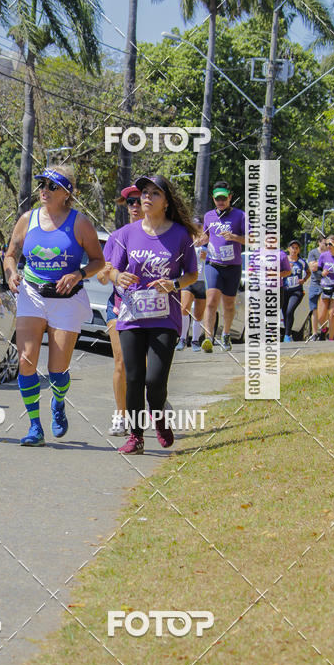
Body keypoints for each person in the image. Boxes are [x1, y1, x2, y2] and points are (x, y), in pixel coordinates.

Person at [3, 166, 105, 446]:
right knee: (25, 361)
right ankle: (35, 426)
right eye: (41, 184)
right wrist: (12, 274)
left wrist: (78, 274)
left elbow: (99, 261)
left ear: (67, 193)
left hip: (67, 299)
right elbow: (10, 254)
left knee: (57, 371)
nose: (44, 190)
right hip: (32, 294)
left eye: (52, 186)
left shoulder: (80, 223)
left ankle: (58, 401)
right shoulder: (28, 219)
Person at [107, 174, 198, 455]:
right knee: (134, 378)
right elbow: (109, 269)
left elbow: (192, 274)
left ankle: (158, 416)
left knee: (154, 380)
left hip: (164, 318)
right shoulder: (126, 235)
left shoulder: (180, 236)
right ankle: (136, 437)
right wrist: (117, 276)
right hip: (131, 316)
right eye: (144, 192)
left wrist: (175, 284)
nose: (146, 197)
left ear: (166, 202)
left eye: (154, 193)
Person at [97, 186, 143, 436]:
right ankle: (121, 414)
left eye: (138, 201)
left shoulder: (161, 234)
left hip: (150, 311)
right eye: (129, 202)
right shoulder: (117, 236)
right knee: (121, 362)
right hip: (119, 307)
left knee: (145, 366)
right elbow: (103, 275)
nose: (134, 206)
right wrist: (111, 274)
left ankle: (155, 400)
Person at [200, 181, 247, 353]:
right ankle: (208, 338)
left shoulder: (240, 216)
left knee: (228, 305)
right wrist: (201, 242)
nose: (221, 202)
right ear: (213, 199)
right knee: (211, 301)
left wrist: (234, 237)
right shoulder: (208, 216)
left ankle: (226, 334)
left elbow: (251, 239)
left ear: (230, 197)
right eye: (217, 199)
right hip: (213, 264)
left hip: (232, 266)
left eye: (223, 198)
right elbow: (205, 236)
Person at [176, 225, 207, 352]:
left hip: (203, 282)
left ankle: (195, 340)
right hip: (189, 281)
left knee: (198, 314)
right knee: (184, 308)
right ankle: (182, 338)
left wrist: (207, 257)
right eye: (196, 235)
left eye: (201, 235)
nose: (198, 238)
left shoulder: (208, 249)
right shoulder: (188, 248)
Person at [282, 240, 310, 342]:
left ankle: (287, 335)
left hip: (296, 291)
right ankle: (288, 333)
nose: (294, 250)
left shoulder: (301, 262)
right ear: (289, 249)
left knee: (290, 310)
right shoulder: (284, 260)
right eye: (292, 247)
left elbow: (308, 272)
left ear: (299, 250)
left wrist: (304, 280)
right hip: (285, 289)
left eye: (296, 248)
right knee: (285, 312)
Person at [307, 236, 327, 340]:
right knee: (314, 309)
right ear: (319, 243)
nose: (326, 245)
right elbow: (312, 268)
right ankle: (314, 333)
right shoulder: (313, 253)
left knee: (324, 310)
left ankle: (323, 330)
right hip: (315, 284)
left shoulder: (330, 253)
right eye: (324, 243)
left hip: (327, 284)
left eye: (327, 243)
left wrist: (317, 264)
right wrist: (323, 265)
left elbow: (316, 266)